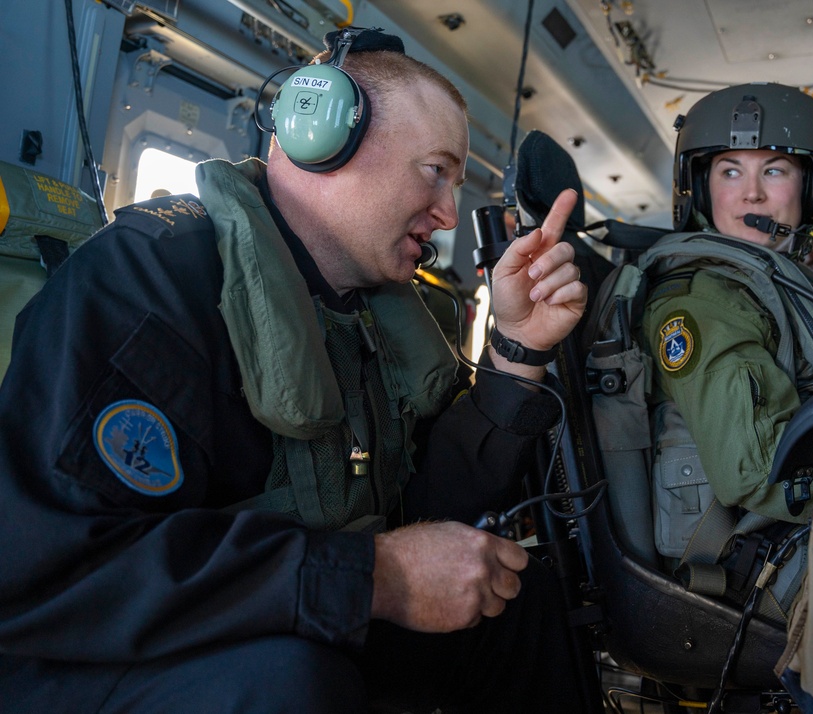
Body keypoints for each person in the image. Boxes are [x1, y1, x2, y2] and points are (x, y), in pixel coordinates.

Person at [0, 28, 593, 713]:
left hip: (286, 617)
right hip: (83, 663)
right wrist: (376, 578)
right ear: (321, 138)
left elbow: (427, 514)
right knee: (291, 681)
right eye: (435, 171)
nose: (446, 215)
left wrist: (517, 350)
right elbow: (45, 565)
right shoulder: (150, 283)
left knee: (519, 598)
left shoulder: (381, 313)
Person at [641, 82, 813, 547]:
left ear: (812, 187)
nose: (752, 196)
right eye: (729, 172)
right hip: (753, 569)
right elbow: (757, 473)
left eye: (774, 170)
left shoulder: (774, 284)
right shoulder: (703, 302)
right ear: (700, 191)